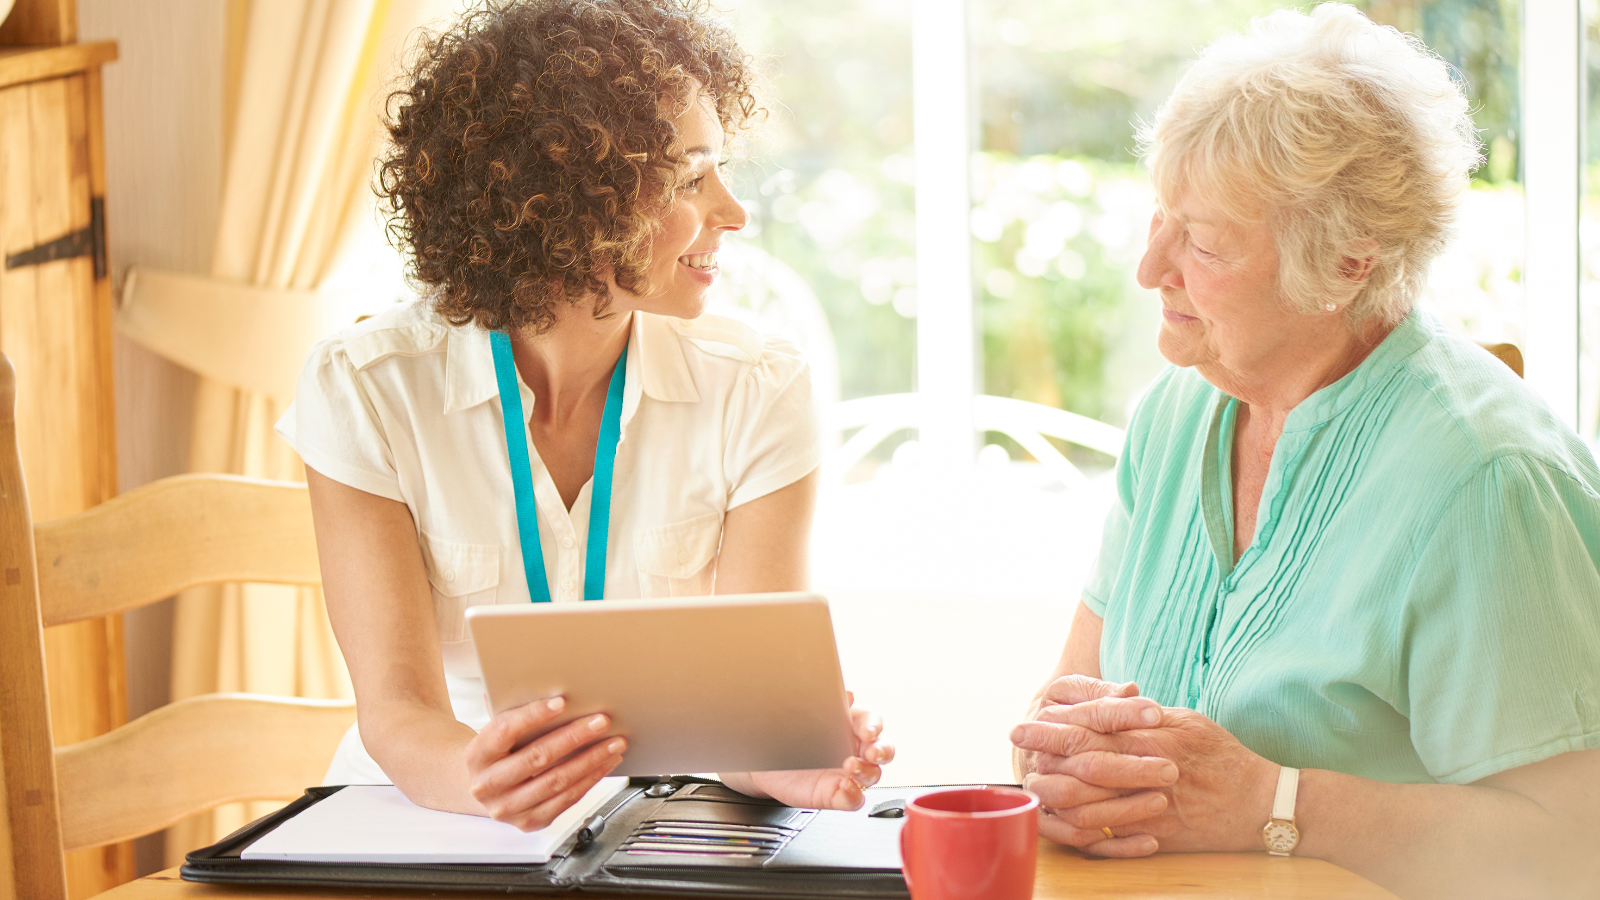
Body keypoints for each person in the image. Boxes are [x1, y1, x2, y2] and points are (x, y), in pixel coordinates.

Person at [1008, 5, 1600, 898]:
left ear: (1349, 263)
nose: (1150, 268)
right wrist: (1055, 757)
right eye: (1161, 218)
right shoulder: (1175, 414)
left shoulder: (1487, 479)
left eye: (1203, 242)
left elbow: (1573, 850)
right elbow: (1070, 691)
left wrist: (1273, 805)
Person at [275, 0, 891, 831]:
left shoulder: (760, 388)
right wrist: (484, 777)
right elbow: (397, 712)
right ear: (568, 200)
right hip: (424, 820)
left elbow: (746, 716)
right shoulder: (368, 387)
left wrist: (785, 757)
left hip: (654, 827)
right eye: (690, 178)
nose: (735, 214)